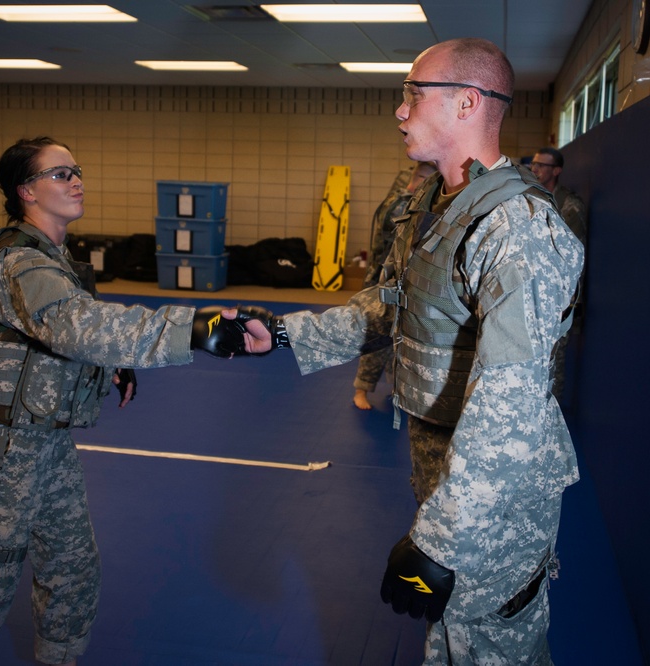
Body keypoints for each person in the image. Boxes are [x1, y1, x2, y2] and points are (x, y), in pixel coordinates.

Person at [234, 38, 584, 664]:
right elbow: (388, 308)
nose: (399, 111)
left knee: (485, 647)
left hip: (494, 498)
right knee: (449, 641)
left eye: (413, 94)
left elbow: (511, 402)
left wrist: (441, 540)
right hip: (445, 472)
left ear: (467, 104)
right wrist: (284, 333)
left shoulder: (518, 229)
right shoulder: (432, 206)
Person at [0, 136, 261, 666]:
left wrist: (110, 364)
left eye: (76, 170)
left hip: (48, 449)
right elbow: (72, 326)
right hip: (3, 455)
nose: (76, 180)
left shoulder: (54, 258)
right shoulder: (19, 263)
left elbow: (63, 334)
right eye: (60, 174)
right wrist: (194, 329)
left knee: (72, 573)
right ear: (26, 192)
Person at [352, 162, 435, 410]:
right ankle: (361, 389)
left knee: (401, 337)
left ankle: (395, 386)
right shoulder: (402, 202)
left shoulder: (416, 201)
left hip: (404, 282)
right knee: (377, 335)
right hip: (384, 281)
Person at [531, 146, 587, 401]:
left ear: (557, 171)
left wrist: (568, 301)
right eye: (534, 164)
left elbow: (573, 256)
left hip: (557, 295)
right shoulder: (531, 196)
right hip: (529, 288)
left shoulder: (568, 205)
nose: (535, 169)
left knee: (555, 357)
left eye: (542, 165)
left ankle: (550, 417)